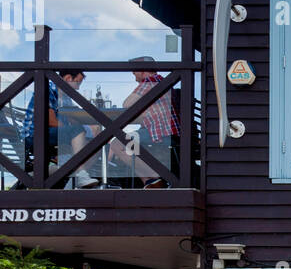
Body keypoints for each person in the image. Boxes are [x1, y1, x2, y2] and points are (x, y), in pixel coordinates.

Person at [22, 69, 98, 187]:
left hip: (54, 135)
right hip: (35, 135)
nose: (78, 88)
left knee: (95, 145)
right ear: (68, 78)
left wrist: (90, 127)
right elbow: (50, 120)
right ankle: (80, 175)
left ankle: (73, 179)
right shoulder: (47, 88)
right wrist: (76, 129)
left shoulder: (66, 96)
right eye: (77, 83)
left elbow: (72, 119)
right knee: (77, 131)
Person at [114, 57, 180, 188]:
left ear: (143, 70)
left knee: (117, 144)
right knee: (125, 146)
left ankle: (158, 176)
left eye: (134, 71)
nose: (133, 75)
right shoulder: (160, 81)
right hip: (162, 131)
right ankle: (151, 183)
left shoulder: (150, 81)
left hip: (161, 132)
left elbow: (127, 104)